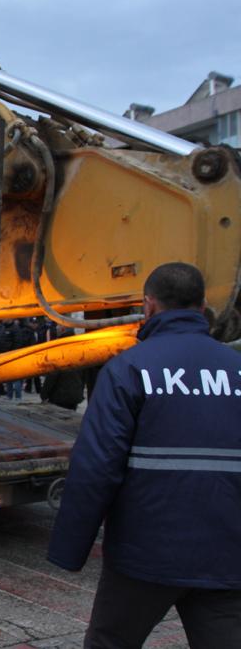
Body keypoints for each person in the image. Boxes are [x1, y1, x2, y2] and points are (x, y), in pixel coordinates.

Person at [48, 262, 241, 647]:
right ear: (203, 306)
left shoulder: (129, 369)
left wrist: (69, 549)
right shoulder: (236, 370)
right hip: (226, 556)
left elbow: (96, 468)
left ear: (148, 305)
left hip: (144, 557)